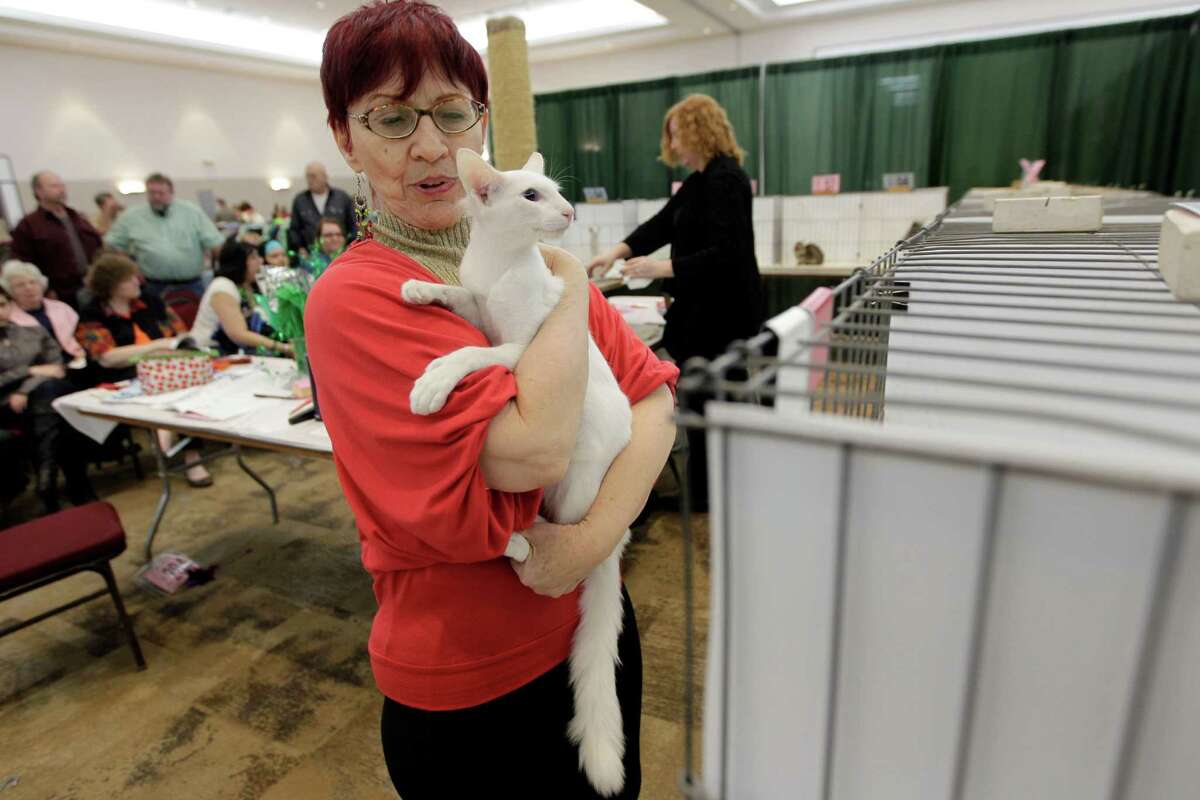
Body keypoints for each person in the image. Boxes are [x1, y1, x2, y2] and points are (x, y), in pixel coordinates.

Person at [305, 3, 677, 797]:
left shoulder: (534, 262)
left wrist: (586, 544)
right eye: (392, 117)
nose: (432, 144)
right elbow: (534, 450)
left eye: (452, 112)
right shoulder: (357, 297)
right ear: (345, 136)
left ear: (480, 121)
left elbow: (653, 407)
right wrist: (574, 282)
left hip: (592, 626)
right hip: (472, 681)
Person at [588, 93, 764, 512]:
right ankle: (708, 489)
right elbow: (662, 223)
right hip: (705, 314)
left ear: (697, 132)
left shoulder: (726, 179)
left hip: (723, 316)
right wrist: (616, 252)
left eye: (677, 136)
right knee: (705, 402)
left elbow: (727, 254)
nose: (675, 147)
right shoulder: (701, 181)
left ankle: (706, 496)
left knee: (710, 403)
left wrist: (660, 269)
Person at [75, 254, 213, 487]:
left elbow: (179, 336)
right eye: (129, 279)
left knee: (190, 389)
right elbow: (107, 358)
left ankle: (192, 454)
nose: (137, 282)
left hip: (165, 367)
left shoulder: (151, 302)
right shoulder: (92, 314)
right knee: (167, 389)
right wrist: (157, 346)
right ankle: (164, 432)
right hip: (122, 377)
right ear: (112, 285)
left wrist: (146, 351)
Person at [0, 284, 97, 512]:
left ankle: (48, 479)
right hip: (3, 404)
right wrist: (30, 371)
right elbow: (42, 371)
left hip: (35, 398)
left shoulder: (33, 332)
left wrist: (24, 390)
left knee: (53, 397)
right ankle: (76, 484)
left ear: (10, 305)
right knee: (58, 404)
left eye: (2, 305)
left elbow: (56, 368)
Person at [104, 172, 225, 304]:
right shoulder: (132, 216)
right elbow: (113, 245)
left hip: (191, 284)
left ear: (171, 193)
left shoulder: (191, 212)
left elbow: (215, 243)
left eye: (161, 193)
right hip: (152, 285)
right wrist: (130, 269)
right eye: (151, 193)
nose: (156, 197)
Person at [9, 171, 103, 307]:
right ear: (39, 191)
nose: (61, 190)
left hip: (93, 286)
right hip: (61, 293)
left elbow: (97, 246)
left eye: (62, 185)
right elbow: (23, 263)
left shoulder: (77, 217)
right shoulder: (29, 225)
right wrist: (45, 289)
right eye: (54, 186)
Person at [190, 238, 290, 356]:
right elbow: (238, 334)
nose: (260, 261)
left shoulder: (246, 286)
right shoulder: (222, 287)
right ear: (239, 262)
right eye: (253, 257)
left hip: (235, 353)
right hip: (210, 352)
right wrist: (282, 347)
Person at [0, 259, 86, 364]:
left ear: (42, 284)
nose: (29, 288)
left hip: (79, 358)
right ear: (10, 291)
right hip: (42, 367)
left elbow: (83, 333)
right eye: (20, 285)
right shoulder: (7, 317)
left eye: (33, 282)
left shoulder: (61, 308)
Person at [289, 161, 356, 257]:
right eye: (307, 177)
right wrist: (299, 248)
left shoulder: (342, 197)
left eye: (313, 176)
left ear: (325, 177)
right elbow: (294, 229)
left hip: (340, 254)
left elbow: (353, 225)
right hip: (312, 256)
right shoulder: (300, 200)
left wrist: (349, 247)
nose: (309, 180)